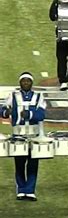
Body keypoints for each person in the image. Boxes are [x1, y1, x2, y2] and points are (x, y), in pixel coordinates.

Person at [1, 72, 46, 201]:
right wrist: (5, 112)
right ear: (20, 83)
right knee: (19, 163)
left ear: (31, 83)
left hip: (34, 134)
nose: (26, 83)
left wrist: (30, 114)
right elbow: (3, 109)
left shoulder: (38, 96)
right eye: (23, 81)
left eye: (28, 81)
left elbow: (42, 114)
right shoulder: (13, 96)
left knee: (33, 163)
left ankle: (30, 190)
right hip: (18, 134)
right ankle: (21, 190)